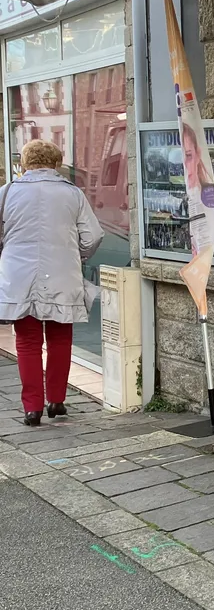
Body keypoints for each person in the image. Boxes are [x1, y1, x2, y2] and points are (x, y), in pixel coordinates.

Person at [0, 140, 103, 426]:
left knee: (27, 342)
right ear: (57, 163)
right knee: (60, 338)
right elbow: (93, 237)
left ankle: (31, 409)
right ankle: (56, 401)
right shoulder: (73, 194)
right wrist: (77, 255)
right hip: (62, 274)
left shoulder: (6, 193)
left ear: (24, 164)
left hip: (19, 278)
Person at [180, 122, 214, 208]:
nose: (184, 165)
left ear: (198, 154)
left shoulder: (211, 194)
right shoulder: (183, 200)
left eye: (188, 155)